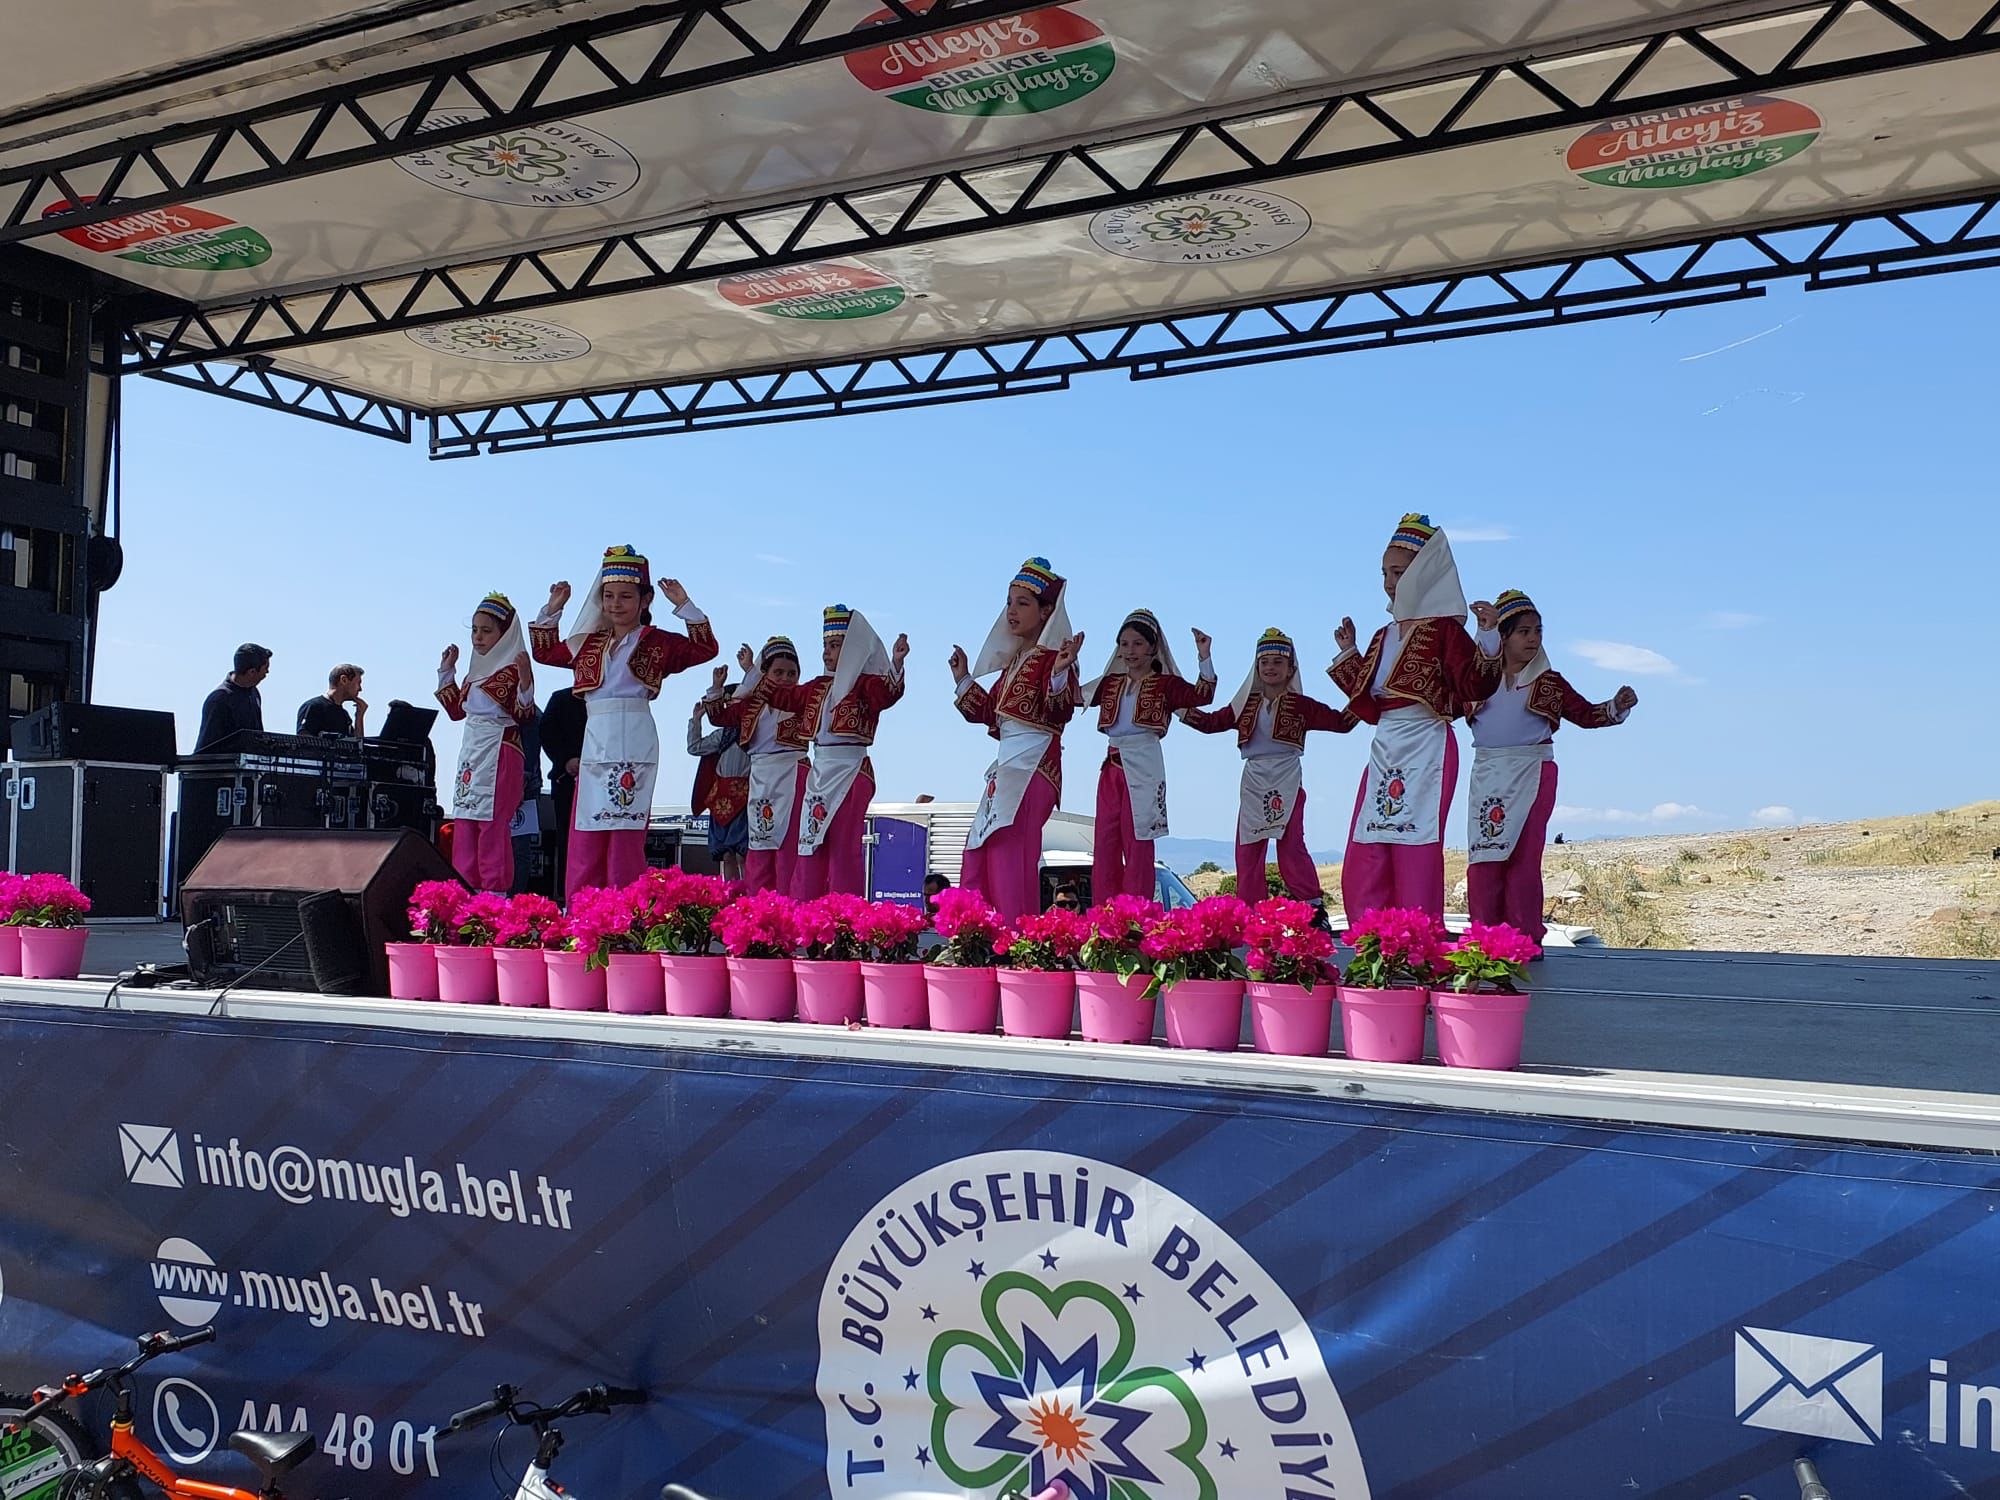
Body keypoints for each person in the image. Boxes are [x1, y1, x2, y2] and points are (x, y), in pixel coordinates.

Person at [1329, 513, 1500, 924]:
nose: (1389, 582)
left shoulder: (1444, 631)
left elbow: (1474, 684)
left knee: (1414, 844)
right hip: (1386, 744)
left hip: (1426, 740)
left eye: (1399, 572)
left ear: (1424, 574)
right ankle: (1372, 933)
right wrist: (1349, 653)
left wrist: (1489, 636)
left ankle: (1416, 936)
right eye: (1385, 573)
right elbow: (1368, 700)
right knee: (1369, 842)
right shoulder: (1383, 635)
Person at [530, 545, 717, 899]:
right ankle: (583, 909)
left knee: (625, 828)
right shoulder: (588, 644)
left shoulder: (657, 642)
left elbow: (705, 649)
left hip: (635, 734)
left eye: (626, 596)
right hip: (596, 736)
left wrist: (685, 605)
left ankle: (624, 909)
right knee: (588, 825)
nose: (616, 604)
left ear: (645, 600)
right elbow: (545, 652)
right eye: (609, 596)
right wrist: (553, 609)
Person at [1464, 589, 1637, 943]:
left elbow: (1586, 714)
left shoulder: (1549, 682)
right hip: (1488, 774)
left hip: (1533, 770)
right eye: (1523, 631)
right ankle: (1485, 939)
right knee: (1485, 857)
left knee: (1524, 858)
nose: (1533, 638)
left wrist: (1617, 707)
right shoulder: (1478, 682)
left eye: (1538, 631)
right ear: (1503, 636)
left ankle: (1524, 940)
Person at [1182, 627, 1357, 916]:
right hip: (1254, 779)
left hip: (1287, 776)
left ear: (1291, 669)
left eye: (1277, 662)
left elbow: (1342, 723)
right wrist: (1176, 704)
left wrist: (1358, 676)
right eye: (1264, 662)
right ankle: (1249, 914)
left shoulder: (1301, 706)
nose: (1270, 667)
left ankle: (1313, 909)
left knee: (1291, 846)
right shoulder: (1245, 705)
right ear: (1256, 667)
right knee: (1248, 849)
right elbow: (1210, 723)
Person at [738, 605, 909, 898]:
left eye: (835, 645)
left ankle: (843, 913)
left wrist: (895, 662)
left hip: (851, 770)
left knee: (843, 848)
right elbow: (782, 696)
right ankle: (804, 909)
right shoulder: (816, 688)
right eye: (825, 645)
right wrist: (753, 672)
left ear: (853, 649)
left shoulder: (865, 685)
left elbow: (888, 694)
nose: (827, 652)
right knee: (809, 842)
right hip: (819, 773)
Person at [950, 557, 1084, 922]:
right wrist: (963, 679)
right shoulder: (1014, 662)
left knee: (1008, 854)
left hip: (1034, 763)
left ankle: (1013, 936)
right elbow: (989, 711)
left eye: (1022, 603)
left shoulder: (1055, 658)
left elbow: (1059, 709)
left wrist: (1060, 672)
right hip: (1007, 766)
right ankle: (974, 932)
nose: (1012, 611)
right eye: (1009, 602)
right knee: (977, 850)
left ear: (1046, 612)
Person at [1082, 609, 1215, 900]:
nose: (1130, 650)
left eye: (1138, 643)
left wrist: (1204, 657)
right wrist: (1067, 663)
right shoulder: (1111, 683)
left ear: (1153, 648)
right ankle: (1104, 913)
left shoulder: (1166, 684)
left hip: (1145, 764)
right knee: (1105, 842)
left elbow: (1202, 696)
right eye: (1124, 644)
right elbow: (1075, 697)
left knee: (1139, 840)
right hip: (1112, 765)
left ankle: (1136, 912)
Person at [436, 593, 536, 892]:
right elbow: (457, 712)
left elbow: (524, 715)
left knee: (492, 823)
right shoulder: (474, 673)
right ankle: (465, 889)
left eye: (487, 631)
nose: (478, 637)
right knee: (465, 819)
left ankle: (493, 892)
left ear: (504, 635)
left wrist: (526, 682)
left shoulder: (512, 670)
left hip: (500, 749)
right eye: (475, 630)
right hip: (471, 749)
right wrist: (447, 671)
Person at [714, 637, 810, 895]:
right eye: (778, 672)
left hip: (794, 773)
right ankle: (759, 905)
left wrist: (751, 672)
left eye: (792, 673)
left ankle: (791, 904)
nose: (786, 678)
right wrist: (717, 689)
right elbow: (720, 717)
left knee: (789, 845)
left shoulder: (803, 700)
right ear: (765, 673)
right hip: (760, 776)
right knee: (759, 841)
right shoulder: (751, 706)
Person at [689, 666, 750, 883]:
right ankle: (731, 894)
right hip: (721, 798)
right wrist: (696, 720)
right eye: (729, 703)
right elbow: (695, 747)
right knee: (726, 854)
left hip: (745, 797)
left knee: (743, 853)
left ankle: (750, 895)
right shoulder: (722, 734)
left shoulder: (753, 732)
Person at [538, 686, 587, 895]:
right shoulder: (561, 698)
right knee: (568, 839)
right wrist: (565, 759)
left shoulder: (606, 698)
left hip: (601, 781)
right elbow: (546, 732)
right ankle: (568, 895)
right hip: (566, 780)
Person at [194, 643, 271, 750]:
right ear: (252, 672)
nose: (267, 672)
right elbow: (206, 748)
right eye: (265, 668)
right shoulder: (219, 700)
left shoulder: (254, 693)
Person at [298, 664, 366, 737]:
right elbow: (303, 740)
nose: (360, 689)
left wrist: (359, 717)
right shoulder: (313, 707)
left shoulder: (344, 715)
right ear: (344, 680)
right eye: (358, 683)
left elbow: (357, 743)